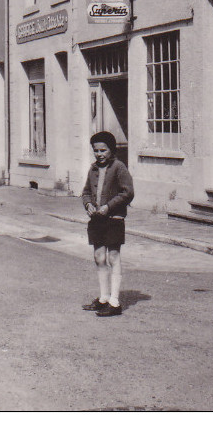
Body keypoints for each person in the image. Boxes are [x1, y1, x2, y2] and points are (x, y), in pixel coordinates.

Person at [81, 131, 134, 317]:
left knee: (113, 257)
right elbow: (86, 191)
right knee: (98, 257)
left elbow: (127, 193)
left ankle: (115, 301)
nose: (99, 154)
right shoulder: (93, 169)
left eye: (103, 150)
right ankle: (104, 298)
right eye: (96, 150)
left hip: (114, 219)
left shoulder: (119, 168)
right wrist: (87, 204)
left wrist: (108, 207)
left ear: (111, 150)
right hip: (96, 220)